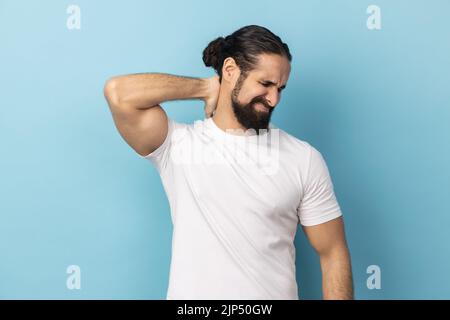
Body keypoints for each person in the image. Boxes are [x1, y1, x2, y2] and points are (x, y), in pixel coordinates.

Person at [104, 25, 353, 300]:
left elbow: (333, 254)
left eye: (280, 88)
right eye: (265, 84)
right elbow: (118, 93)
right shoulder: (178, 145)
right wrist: (203, 87)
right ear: (231, 70)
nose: (274, 99)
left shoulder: (303, 158)